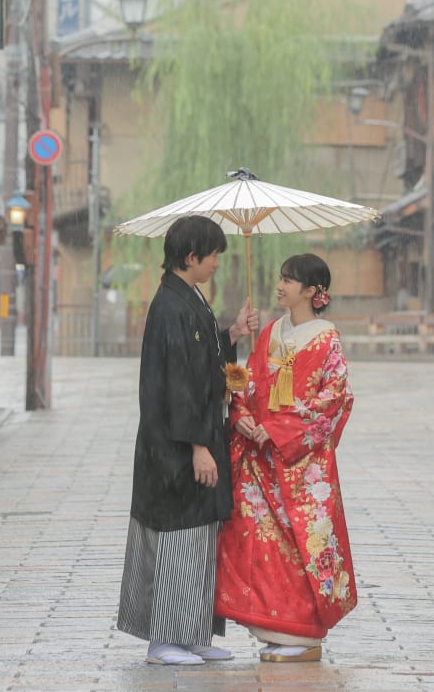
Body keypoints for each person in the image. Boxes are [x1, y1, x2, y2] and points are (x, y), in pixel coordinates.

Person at [117, 215, 259, 666]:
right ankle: (165, 640)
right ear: (191, 257)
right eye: (213, 254)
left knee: (199, 537)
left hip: (193, 437)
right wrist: (198, 445)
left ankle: (192, 632)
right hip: (174, 447)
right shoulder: (171, 306)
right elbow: (180, 383)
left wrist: (231, 335)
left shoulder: (189, 300)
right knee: (177, 536)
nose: (218, 262)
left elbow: (203, 360)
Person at [215, 253, 357, 662]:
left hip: (300, 462)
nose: (280, 286)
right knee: (265, 543)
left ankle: (304, 632)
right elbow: (250, 380)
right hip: (262, 457)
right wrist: (241, 414)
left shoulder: (327, 339)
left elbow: (334, 398)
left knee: (302, 543)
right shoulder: (273, 331)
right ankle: (276, 625)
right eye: (280, 278)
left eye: (290, 281)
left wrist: (278, 429)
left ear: (313, 292)